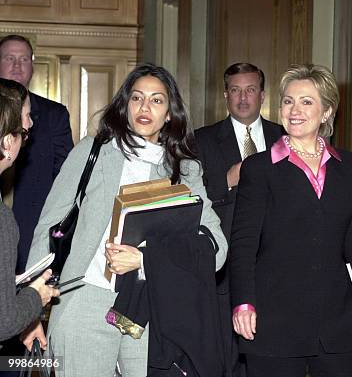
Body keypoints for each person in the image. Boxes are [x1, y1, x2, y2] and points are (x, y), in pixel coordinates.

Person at [23, 64, 227, 377]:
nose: (145, 108)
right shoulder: (92, 152)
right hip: (85, 300)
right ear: (125, 105)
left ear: (170, 113)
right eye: (137, 98)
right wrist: (32, 308)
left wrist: (146, 259)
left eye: (157, 100)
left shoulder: (185, 171)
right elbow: (47, 229)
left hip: (148, 312)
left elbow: (217, 251)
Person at [230, 64, 352, 377]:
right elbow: (243, 244)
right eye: (288, 101)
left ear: (326, 111)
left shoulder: (349, 166)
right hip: (274, 320)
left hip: (337, 320)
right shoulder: (259, 169)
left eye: (306, 102)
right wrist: (243, 303)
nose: (294, 110)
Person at [194, 62, 283, 377]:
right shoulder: (201, 141)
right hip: (225, 267)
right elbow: (188, 198)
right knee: (228, 359)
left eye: (250, 90)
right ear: (225, 95)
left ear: (262, 94)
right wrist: (227, 179)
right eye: (235, 90)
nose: (243, 98)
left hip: (277, 268)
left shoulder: (284, 137)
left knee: (272, 357)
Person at [0, 34, 73, 275]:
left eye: (23, 59)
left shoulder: (54, 116)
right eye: (10, 58)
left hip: (32, 236)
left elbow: (66, 180)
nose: (17, 66)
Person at [0, 77, 59, 348]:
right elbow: (4, 321)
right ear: (7, 141)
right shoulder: (2, 220)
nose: (31, 124)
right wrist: (36, 296)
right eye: (25, 117)